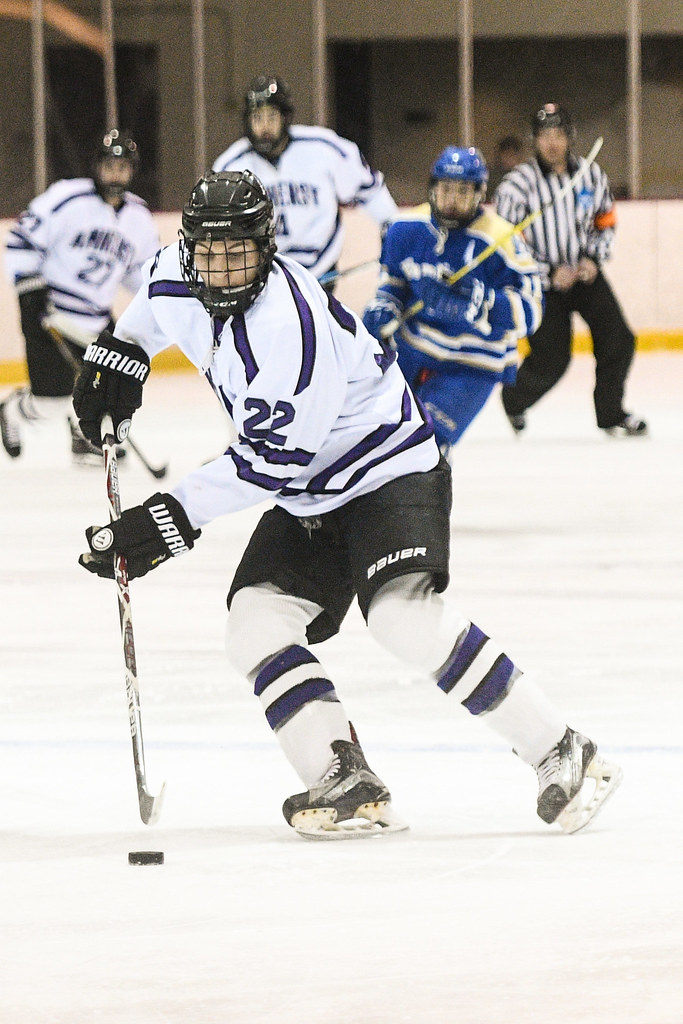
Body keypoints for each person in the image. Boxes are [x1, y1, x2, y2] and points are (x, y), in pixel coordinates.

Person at [71, 169, 622, 839]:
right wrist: (117, 359)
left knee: (401, 619)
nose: (218, 272)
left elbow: (269, 464)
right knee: (254, 623)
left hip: (387, 470)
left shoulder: (289, 326)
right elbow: (144, 318)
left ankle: (561, 748)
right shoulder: (172, 271)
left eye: (236, 255)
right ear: (186, 248)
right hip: (311, 492)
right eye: (206, 255)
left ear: (267, 250)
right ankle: (342, 776)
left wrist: (169, 519)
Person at [362, 147, 543, 456]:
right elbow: (394, 283)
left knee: (424, 447)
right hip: (413, 351)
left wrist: (481, 302)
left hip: (473, 364)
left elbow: (532, 313)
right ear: (433, 187)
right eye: (446, 189)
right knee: (369, 435)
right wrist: (385, 306)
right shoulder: (405, 229)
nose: (452, 199)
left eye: (462, 191)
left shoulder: (501, 241)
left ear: (478, 193)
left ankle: (423, 504)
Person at [1, 129, 160, 464]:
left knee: (109, 389)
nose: (115, 174)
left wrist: (160, 300)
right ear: (96, 166)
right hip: (50, 313)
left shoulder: (139, 218)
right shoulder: (67, 198)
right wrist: (30, 292)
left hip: (97, 321)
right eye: (109, 165)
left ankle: (82, 439)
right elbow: (20, 240)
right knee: (52, 400)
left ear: (132, 170)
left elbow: (139, 274)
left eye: (122, 167)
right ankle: (12, 410)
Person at [494, 103, 647, 438]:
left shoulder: (591, 175)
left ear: (569, 138)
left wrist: (593, 258)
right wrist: (547, 272)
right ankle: (514, 398)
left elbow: (605, 221)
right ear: (535, 140)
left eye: (559, 134)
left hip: (583, 274)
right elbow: (506, 241)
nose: (553, 142)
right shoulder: (517, 185)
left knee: (619, 340)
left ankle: (611, 414)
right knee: (552, 360)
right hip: (540, 285)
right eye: (546, 135)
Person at [212, 74, 398, 288]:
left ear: (285, 118)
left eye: (271, 117)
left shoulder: (324, 148)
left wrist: (393, 231)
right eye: (257, 118)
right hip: (262, 279)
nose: (264, 127)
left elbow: (370, 191)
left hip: (320, 274)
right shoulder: (230, 167)